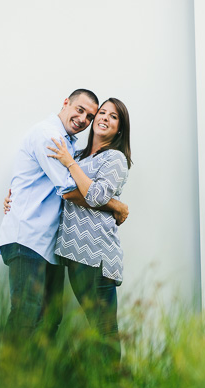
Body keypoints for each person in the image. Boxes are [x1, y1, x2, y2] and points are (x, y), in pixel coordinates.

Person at [0, 90, 129, 344]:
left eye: (89, 115)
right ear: (66, 103)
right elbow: (68, 190)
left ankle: (39, 380)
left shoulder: (74, 149)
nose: (84, 119)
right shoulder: (50, 136)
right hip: (28, 238)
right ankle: (7, 380)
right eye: (81, 110)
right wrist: (116, 206)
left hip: (51, 247)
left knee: (50, 319)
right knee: (26, 315)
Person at [45, 98, 132, 364]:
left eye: (113, 116)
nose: (105, 117)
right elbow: (59, 191)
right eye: (102, 113)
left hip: (96, 256)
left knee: (105, 331)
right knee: (95, 329)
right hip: (74, 256)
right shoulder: (82, 156)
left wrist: (70, 165)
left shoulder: (115, 158)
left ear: (119, 128)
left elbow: (93, 195)